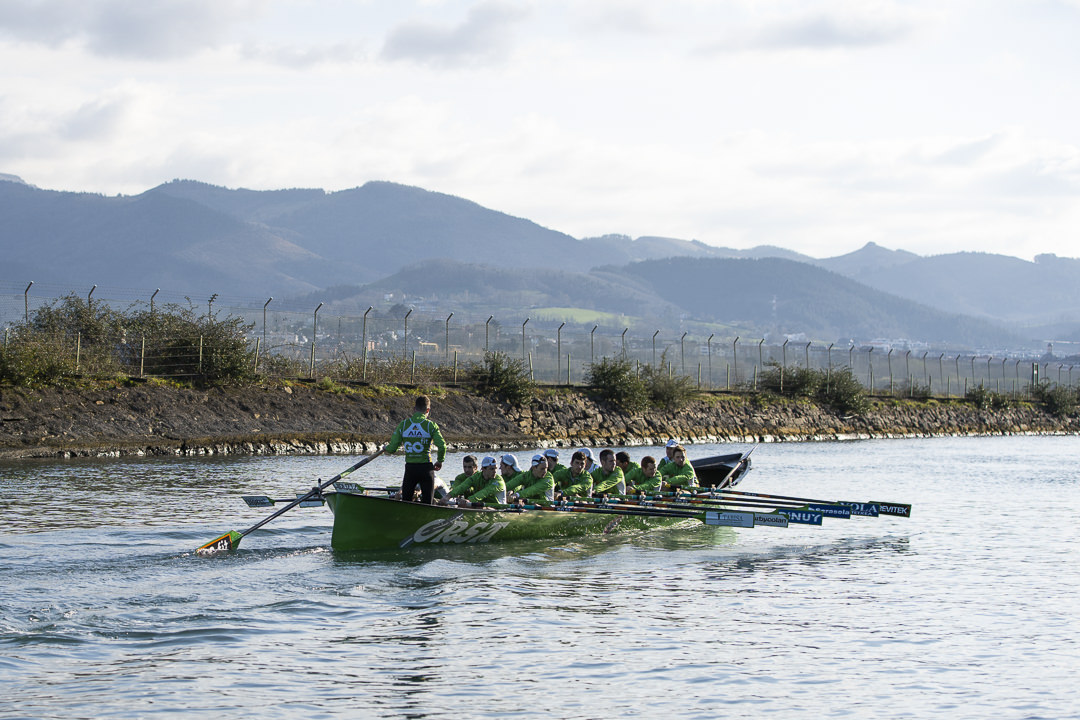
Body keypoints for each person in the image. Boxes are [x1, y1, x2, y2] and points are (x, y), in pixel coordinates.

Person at [384, 394, 446, 505]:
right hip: (426, 468)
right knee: (428, 503)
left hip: (410, 469)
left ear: (414, 409)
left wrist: (386, 448)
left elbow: (392, 448)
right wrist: (440, 460)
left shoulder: (403, 425)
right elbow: (442, 446)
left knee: (406, 501)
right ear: (428, 410)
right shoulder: (430, 425)